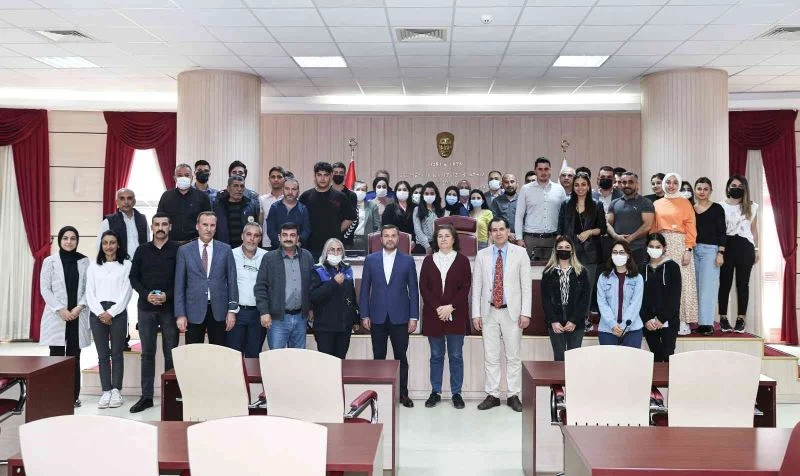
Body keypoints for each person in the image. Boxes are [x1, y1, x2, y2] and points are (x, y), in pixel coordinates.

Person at [472, 217, 531, 412]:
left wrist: (526, 313)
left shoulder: (520, 253)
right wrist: (476, 314)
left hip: (512, 313)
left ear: (508, 231)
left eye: (501, 229)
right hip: (488, 312)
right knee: (491, 356)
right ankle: (493, 395)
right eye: (494, 230)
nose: (498, 233)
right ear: (490, 233)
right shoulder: (482, 255)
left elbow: (526, 286)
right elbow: (477, 287)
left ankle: (513, 395)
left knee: (513, 356)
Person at [360, 225, 419, 408]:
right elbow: (364, 290)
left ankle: (403, 394)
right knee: (379, 357)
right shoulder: (370, 260)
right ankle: (379, 395)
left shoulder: (407, 260)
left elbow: (413, 290)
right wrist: (364, 314)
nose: (390, 239)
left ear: (398, 238)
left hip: (400, 317)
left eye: (393, 235)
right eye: (386, 236)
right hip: (376, 316)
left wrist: (414, 317)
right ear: (381, 239)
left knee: (401, 357)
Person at [128, 213, 180, 413]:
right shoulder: (142, 250)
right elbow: (133, 277)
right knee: (147, 354)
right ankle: (146, 397)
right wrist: (146, 294)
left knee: (171, 354)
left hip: (169, 309)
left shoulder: (178, 250)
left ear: (170, 227)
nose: (160, 227)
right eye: (157, 224)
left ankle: (171, 396)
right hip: (146, 308)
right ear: (152, 227)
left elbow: (182, 278)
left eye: (164, 224)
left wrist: (168, 296)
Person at [420, 224, 471, 409]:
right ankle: (436, 392)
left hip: (456, 315)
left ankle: (456, 393)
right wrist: (438, 308)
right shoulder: (428, 261)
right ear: (436, 240)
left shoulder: (463, 261)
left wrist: (450, 307)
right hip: (433, 315)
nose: (443, 239)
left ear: (454, 239)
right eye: (440, 236)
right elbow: (424, 287)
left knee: (456, 356)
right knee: (436, 355)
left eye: (447, 236)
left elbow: (465, 287)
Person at [40, 226, 90, 407]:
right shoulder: (49, 262)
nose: (69, 241)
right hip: (57, 316)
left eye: (73, 238)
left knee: (74, 356)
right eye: (65, 238)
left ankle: (73, 396)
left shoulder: (84, 261)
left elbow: (89, 288)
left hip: (77, 315)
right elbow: (45, 289)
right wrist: (60, 309)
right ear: (60, 240)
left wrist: (79, 307)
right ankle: (55, 394)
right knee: (56, 357)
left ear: (77, 241)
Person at [174, 212, 238, 345]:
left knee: (218, 352)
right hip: (193, 311)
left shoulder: (226, 250)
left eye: (212, 225)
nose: (208, 229)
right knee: (194, 352)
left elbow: (232, 281)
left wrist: (232, 310)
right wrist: (180, 314)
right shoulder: (184, 251)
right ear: (197, 226)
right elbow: (179, 285)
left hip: (219, 311)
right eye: (205, 225)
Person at [87, 230, 133, 409]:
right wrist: (100, 312)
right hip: (97, 313)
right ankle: (106, 390)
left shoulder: (126, 265)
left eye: (112, 242)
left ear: (118, 244)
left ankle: (116, 391)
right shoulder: (94, 266)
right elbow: (89, 293)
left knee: (117, 353)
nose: (109, 246)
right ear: (101, 245)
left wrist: (111, 313)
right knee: (102, 355)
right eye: (105, 243)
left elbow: (126, 292)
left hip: (118, 313)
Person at [650, 172, 697, 336]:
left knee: (682, 282)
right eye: (668, 182)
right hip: (662, 245)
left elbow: (691, 227)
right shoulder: (657, 203)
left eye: (675, 182)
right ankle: (663, 318)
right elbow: (653, 227)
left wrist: (688, 249)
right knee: (662, 282)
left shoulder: (685, 203)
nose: (671, 185)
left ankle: (682, 320)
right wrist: (654, 247)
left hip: (680, 244)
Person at [255, 222, 315, 349]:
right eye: (285, 235)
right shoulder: (269, 258)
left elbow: (312, 285)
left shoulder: (307, 257)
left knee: (298, 357)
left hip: (300, 318)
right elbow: (260, 287)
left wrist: (311, 308)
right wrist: (264, 312)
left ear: (297, 238)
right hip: (277, 320)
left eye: (292, 235)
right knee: (277, 357)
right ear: (279, 237)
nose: (288, 238)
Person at [557, 172, 606, 326]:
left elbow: (602, 229)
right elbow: (560, 230)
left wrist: (589, 232)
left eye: (583, 184)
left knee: (587, 287)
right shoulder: (566, 204)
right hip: (569, 252)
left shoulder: (597, 205)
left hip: (590, 254)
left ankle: (583, 318)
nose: (580, 188)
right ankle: (568, 318)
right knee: (568, 286)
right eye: (577, 185)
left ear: (589, 186)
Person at [718, 175, 759, 334]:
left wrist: (756, 249)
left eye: (740, 186)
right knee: (725, 283)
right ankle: (723, 318)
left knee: (743, 284)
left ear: (745, 189)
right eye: (733, 185)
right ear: (728, 187)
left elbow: (754, 230)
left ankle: (741, 319)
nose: (736, 188)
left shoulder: (751, 206)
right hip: (726, 246)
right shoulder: (720, 206)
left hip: (745, 247)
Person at [541, 236, 590, 361]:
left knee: (575, 359)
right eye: (560, 247)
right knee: (559, 358)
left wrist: (574, 320)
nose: (564, 250)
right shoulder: (548, 272)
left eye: (567, 247)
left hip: (576, 321)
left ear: (572, 250)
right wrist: (553, 321)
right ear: (555, 250)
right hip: (555, 321)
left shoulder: (581, 272)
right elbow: (545, 299)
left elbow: (584, 299)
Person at [310, 238, 359, 358]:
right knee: (327, 363)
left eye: (339, 250)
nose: (336, 253)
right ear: (326, 252)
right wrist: (333, 283)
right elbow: (314, 297)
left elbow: (351, 296)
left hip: (344, 327)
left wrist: (355, 319)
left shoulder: (347, 269)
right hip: (325, 327)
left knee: (340, 362)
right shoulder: (318, 270)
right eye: (332, 250)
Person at [299, 162, 356, 260]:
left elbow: (350, 217)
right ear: (315, 176)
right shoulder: (306, 196)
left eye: (326, 175)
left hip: (332, 249)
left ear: (331, 176)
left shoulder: (340, 197)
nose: (322, 178)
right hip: (309, 247)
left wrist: (336, 231)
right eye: (319, 175)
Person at [515, 157, 567, 261]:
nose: (543, 172)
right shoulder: (526, 189)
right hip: (530, 240)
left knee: (553, 270)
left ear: (550, 170)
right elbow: (519, 215)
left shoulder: (559, 189)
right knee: (527, 270)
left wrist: (563, 238)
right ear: (535, 170)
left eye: (546, 169)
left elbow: (565, 216)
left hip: (553, 239)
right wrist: (519, 238)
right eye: (540, 169)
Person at [228, 223, 267, 357]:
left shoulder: (267, 257)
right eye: (248, 234)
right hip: (236, 313)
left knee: (254, 356)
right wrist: (230, 311)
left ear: (260, 239)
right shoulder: (231, 254)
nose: (252, 239)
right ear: (242, 236)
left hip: (258, 314)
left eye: (256, 236)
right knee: (234, 357)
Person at [693, 178, 726, 336]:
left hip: (711, 251)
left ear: (710, 191)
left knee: (708, 288)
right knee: (696, 287)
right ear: (695, 190)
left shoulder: (717, 208)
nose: (702, 192)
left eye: (705, 189)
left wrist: (720, 253)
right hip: (693, 250)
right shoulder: (690, 208)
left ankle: (707, 324)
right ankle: (699, 322)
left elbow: (722, 231)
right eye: (699, 188)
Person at [641, 233, 681, 362]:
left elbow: (675, 297)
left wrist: (661, 319)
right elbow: (638, 298)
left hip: (668, 320)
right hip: (649, 323)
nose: (654, 249)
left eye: (658, 247)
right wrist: (646, 319)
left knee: (668, 356)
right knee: (655, 357)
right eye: (651, 246)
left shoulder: (673, 267)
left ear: (664, 247)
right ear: (647, 247)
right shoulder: (642, 268)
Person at [596, 240, 644, 348]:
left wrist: (624, 326)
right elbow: (602, 303)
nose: (618, 255)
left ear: (628, 255)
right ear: (611, 255)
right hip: (607, 329)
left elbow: (635, 304)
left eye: (622, 252)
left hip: (632, 329)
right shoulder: (603, 277)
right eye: (615, 252)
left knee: (631, 359)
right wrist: (612, 324)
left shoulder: (637, 278)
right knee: (609, 359)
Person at [606, 172, 655, 270]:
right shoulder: (614, 203)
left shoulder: (645, 202)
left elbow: (648, 225)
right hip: (617, 250)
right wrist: (616, 236)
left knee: (637, 277)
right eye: (624, 182)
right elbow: (607, 223)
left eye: (630, 182)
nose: (627, 185)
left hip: (638, 250)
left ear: (637, 184)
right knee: (618, 277)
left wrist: (629, 239)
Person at [157, 163, 212, 243]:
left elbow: (208, 221)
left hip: (195, 243)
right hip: (170, 243)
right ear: (175, 178)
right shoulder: (166, 196)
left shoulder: (202, 197)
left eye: (187, 175)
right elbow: (159, 220)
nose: (183, 178)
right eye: (179, 175)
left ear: (192, 178)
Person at [96, 188, 149, 261]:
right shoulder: (108, 221)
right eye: (122, 198)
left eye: (129, 198)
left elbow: (148, 242)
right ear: (117, 202)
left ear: (134, 201)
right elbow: (99, 245)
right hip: (118, 264)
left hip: (141, 263)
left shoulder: (142, 219)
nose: (126, 202)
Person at [213, 175, 260, 249]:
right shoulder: (218, 206)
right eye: (235, 186)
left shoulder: (251, 206)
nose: (239, 189)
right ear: (228, 188)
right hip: (224, 248)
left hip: (246, 249)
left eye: (242, 186)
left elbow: (257, 228)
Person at [266, 177, 311, 251]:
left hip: (298, 250)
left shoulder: (303, 209)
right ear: (283, 190)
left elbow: (306, 230)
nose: (290, 192)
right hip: (277, 250)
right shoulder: (274, 207)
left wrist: (297, 244)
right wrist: (282, 245)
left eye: (294, 189)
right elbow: (271, 230)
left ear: (298, 192)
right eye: (287, 189)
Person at [332, 162, 360, 248]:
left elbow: (352, 218)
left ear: (345, 176)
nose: (338, 175)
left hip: (345, 240)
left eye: (341, 173)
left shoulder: (351, 195)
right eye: (336, 172)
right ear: (331, 174)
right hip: (326, 239)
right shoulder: (325, 193)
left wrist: (336, 234)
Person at [258, 166, 285, 249]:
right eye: (273, 177)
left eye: (279, 177)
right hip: (267, 244)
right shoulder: (262, 199)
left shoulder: (290, 200)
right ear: (269, 179)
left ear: (284, 179)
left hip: (286, 243)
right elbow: (260, 223)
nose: (276, 179)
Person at [413, 182, 444, 254]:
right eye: (426, 194)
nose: (429, 196)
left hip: (437, 245)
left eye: (432, 193)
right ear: (423, 195)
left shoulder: (439, 210)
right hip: (422, 246)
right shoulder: (417, 209)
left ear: (436, 195)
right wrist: (427, 246)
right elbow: (417, 230)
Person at [490, 173, 519, 240]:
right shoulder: (496, 201)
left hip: (521, 239)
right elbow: (495, 221)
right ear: (502, 185)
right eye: (506, 182)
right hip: (502, 238)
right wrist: (508, 233)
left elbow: (526, 220)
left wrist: (519, 235)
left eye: (512, 182)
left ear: (516, 183)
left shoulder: (523, 200)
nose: (510, 185)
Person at [351, 181, 379, 252]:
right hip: (349, 240)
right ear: (352, 191)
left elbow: (377, 226)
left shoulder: (372, 206)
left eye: (363, 190)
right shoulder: (347, 205)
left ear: (366, 192)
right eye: (358, 189)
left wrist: (374, 241)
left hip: (366, 241)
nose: (360, 192)